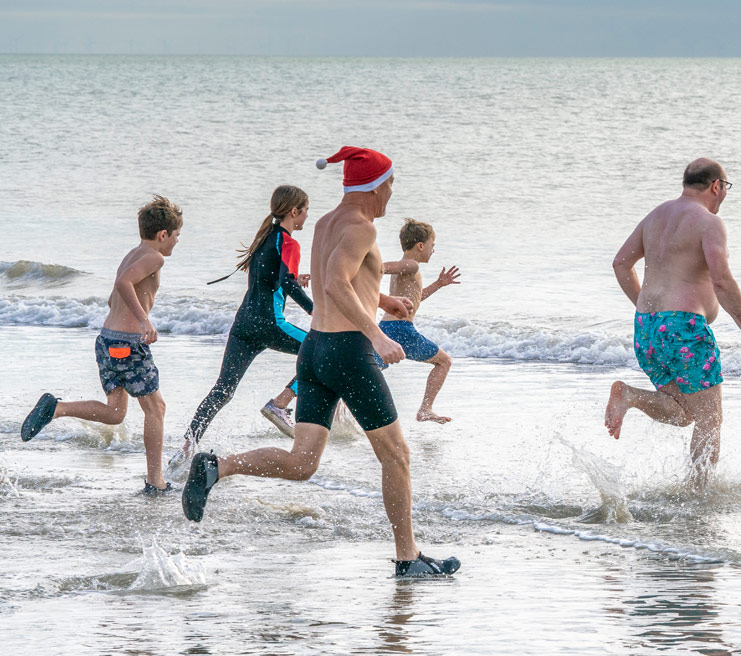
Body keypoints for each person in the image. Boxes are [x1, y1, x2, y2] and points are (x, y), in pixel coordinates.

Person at [182, 146, 460, 578]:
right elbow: (333, 282)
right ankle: (408, 560)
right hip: (350, 353)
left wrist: (382, 297)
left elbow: (342, 277)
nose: (391, 190)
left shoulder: (328, 222)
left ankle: (219, 466)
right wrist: (377, 332)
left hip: (316, 349)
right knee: (397, 455)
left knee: (303, 462)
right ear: (373, 186)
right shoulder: (362, 227)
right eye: (389, 182)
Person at [604, 158, 741, 487]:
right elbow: (722, 280)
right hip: (685, 331)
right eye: (725, 188)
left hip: (647, 327)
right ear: (716, 186)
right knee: (709, 420)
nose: (724, 195)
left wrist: (653, 313)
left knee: (683, 411)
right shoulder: (708, 223)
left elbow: (621, 263)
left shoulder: (656, 215)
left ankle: (629, 396)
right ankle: (698, 497)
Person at [20, 195, 183, 494]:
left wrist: (129, 315)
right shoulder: (154, 257)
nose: (176, 242)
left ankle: (56, 408)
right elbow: (124, 285)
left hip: (107, 340)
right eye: (176, 236)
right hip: (128, 344)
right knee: (156, 408)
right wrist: (143, 320)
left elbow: (113, 297)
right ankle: (155, 482)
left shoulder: (132, 253)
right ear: (163, 234)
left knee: (116, 413)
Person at [170, 185, 313, 469]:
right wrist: (315, 311)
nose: (307, 216)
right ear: (294, 212)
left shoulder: (265, 238)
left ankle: (186, 448)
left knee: (222, 391)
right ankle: (280, 404)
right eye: (306, 210)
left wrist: (296, 281)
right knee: (322, 351)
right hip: (270, 324)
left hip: (243, 325)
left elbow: (274, 278)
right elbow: (284, 283)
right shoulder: (289, 243)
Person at [378, 218, 461, 423]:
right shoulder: (411, 264)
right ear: (420, 245)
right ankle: (426, 408)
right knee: (444, 362)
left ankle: (341, 406)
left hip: (387, 327)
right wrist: (368, 266)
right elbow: (382, 267)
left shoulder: (408, 268)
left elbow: (415, 298)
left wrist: (439, 284)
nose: (433, 250)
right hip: (401, 330)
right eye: (432, 245)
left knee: (370, 368)